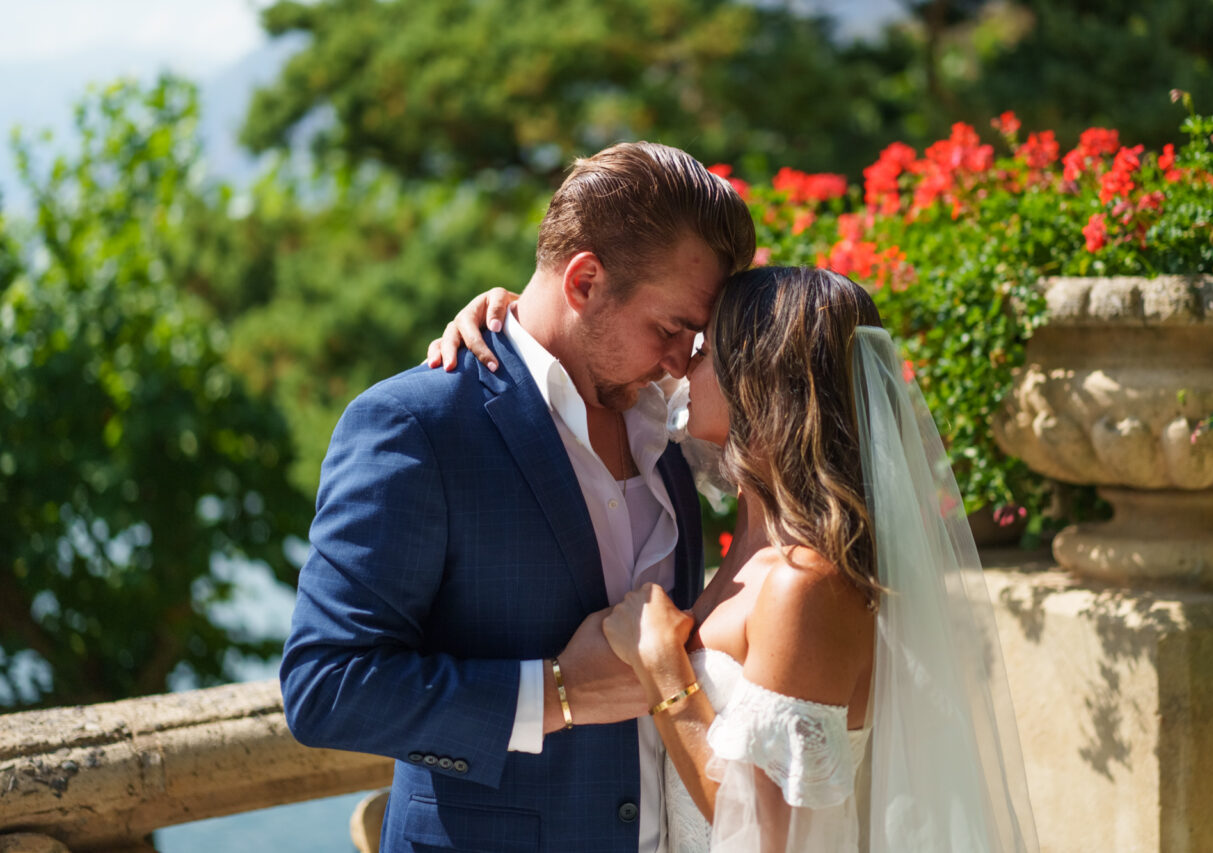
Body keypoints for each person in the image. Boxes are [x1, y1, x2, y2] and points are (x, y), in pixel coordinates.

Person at [431, 266, 1040, 851]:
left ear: (760, 378)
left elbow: (773, 838)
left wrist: (663, 664)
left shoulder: (806, 583)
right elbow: (591, 376)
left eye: (703, 350)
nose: (680, 365)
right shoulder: (755, 535)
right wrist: (512, 322)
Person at [280, 141, 756, 853]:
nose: (681, 361)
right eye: (670, 327)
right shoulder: (418, 424)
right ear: (586, 280)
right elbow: (327, 689)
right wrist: (558, 693)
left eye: (697, 336)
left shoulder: (671, 426)